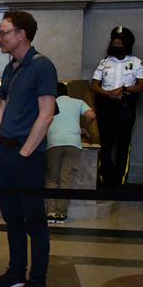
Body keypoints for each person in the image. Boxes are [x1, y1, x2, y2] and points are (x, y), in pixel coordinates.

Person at [0, 10, 57, 287]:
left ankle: (37, 280)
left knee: (34, 220)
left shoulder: (42, 66)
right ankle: (16, 271)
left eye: (3, 32)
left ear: (21, 35)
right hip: (4, 152)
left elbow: (46, 113)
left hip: (27, 156)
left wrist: (26, 152)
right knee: (12, 217)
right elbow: (2, 105)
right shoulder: (10, 67)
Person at [90, 26, 143, 188]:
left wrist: (124, 89)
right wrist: (107, 94)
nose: (116, 44)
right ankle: (104, 178)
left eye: (120, 42)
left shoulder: (135, 62)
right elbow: (94, 85)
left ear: (126, 44)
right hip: (106, 106)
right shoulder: (104, 62)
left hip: (125, 106)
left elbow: (142, 86)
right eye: (114, 41)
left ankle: (120, 179)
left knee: (123, 143)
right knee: (105, 142)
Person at [45, 82, 96, 224]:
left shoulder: (49, 103)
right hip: (73, 143)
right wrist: (82, 127)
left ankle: (50, 213)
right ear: (67, 92)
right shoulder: (78, 102)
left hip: (53, 143)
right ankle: (61, 214)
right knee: (65, 179)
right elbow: (91, 115)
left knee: (52, 179)